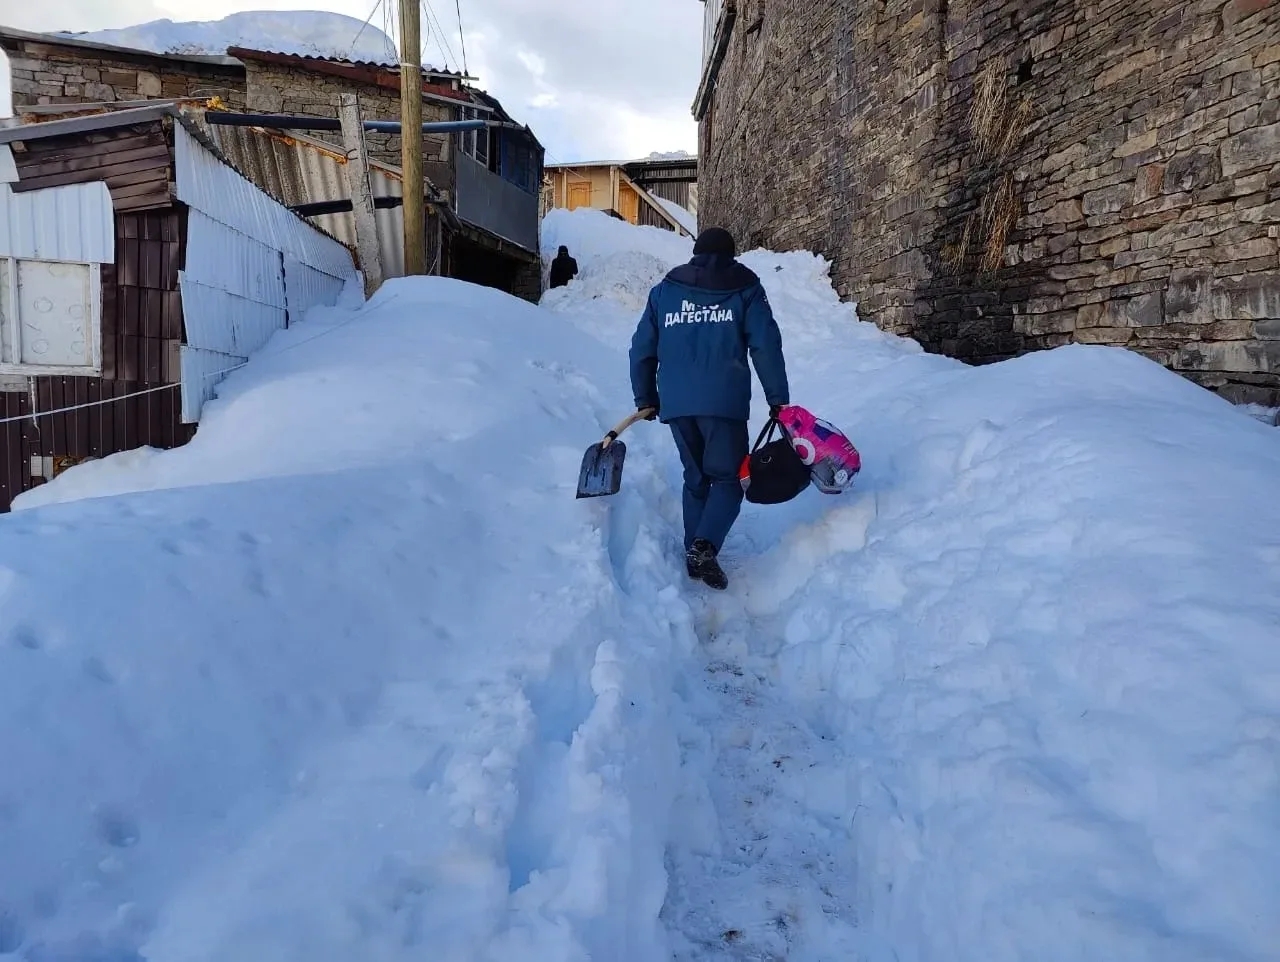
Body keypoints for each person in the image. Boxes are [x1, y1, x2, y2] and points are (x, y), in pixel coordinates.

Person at [628, 226, 789, 590]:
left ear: (695, 253)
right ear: (731, 255)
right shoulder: (745, 288)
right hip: (724, 403)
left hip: (677, 405)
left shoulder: (664, 292)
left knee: (696, 477)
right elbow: (765, 345)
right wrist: (777, 397)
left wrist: (646, 398)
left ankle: (694, 549)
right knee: (730, 478)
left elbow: (641, 350)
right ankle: (703, 546)